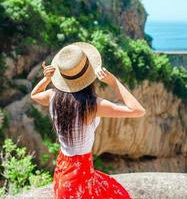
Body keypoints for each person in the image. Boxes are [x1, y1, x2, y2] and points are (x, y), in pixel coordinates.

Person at [30, 42, 146, 198]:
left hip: (63, 172)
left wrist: (46, 79)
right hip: (82, 176)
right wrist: (114, 82)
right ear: (88, 76)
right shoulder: (92, 105)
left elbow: (34, 95)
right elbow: (137, 110)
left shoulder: (52, 97)